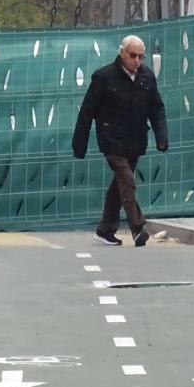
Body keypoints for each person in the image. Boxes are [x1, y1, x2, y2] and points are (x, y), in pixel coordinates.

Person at [72, 34, 168, 247]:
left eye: (141, 57)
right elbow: (87, 111)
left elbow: (156, 108)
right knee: (126, 180)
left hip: (135, 140)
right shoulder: (104, 77)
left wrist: (162, 137)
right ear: (122, 52)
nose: (137, 61)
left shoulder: (146, 77)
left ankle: (105, 229)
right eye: (133, 55)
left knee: (120, 186)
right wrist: (79, 144)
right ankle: (137, 228)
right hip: (111, 139)